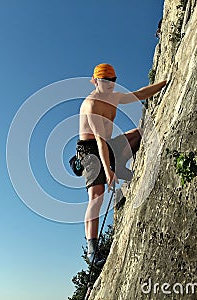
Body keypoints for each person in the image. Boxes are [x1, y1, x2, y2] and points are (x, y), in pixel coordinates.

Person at [77, 63, 167, 265]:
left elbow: (140, 94)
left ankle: (118, 166)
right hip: (90, 151)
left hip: (106, 146)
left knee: (140, 133)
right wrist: (107, 171)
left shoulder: (115, 97)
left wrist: (166, 81)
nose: (110, 85)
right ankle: (92, 250)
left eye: (113, 81)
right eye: (105, 81)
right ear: (95, 80)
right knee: (96, 196)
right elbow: (99, 141)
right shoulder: (91, 105)